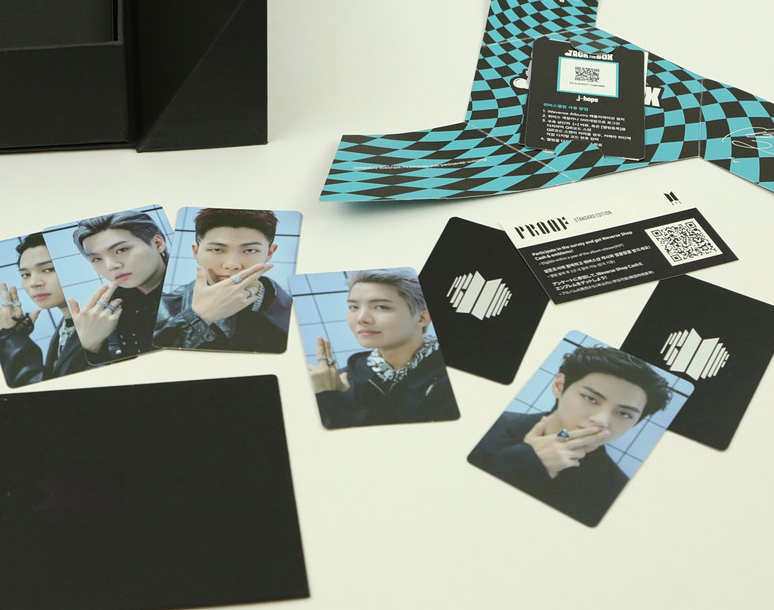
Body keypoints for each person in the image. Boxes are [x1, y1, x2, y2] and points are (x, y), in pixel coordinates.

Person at [466, 345, 672, 527]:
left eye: (624, 414)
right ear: (559, 386)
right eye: (590, 398)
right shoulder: (486, 422)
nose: (601, 420)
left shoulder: (617, 492)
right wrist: (524, 462)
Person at [309, 268, 459, 428]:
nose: (361, 319)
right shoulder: (340, 379)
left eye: (381, 307)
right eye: (353, 307)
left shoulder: (453, 380)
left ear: (422, 318)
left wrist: (334, 401)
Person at [153, 208, 292, 352]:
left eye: (250, 250)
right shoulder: (163, 307)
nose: (232, 264)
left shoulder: (291, 310)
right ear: (196, 252)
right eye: (217, 250)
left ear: (270, 253)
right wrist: (199, 316)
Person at [0, 233, 90, 387]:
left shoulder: (106, 323)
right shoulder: (66, 325)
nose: (33, 283)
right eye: (25, 274)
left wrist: (8, 339)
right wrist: (16, 338)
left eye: (48, 269)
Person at [69, 211, 170, 364]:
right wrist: (92, 347)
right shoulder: (104, 312)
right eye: (96, 259)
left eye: (121, 250)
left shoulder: (196, 292)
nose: (110, 266)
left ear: (158, 244)